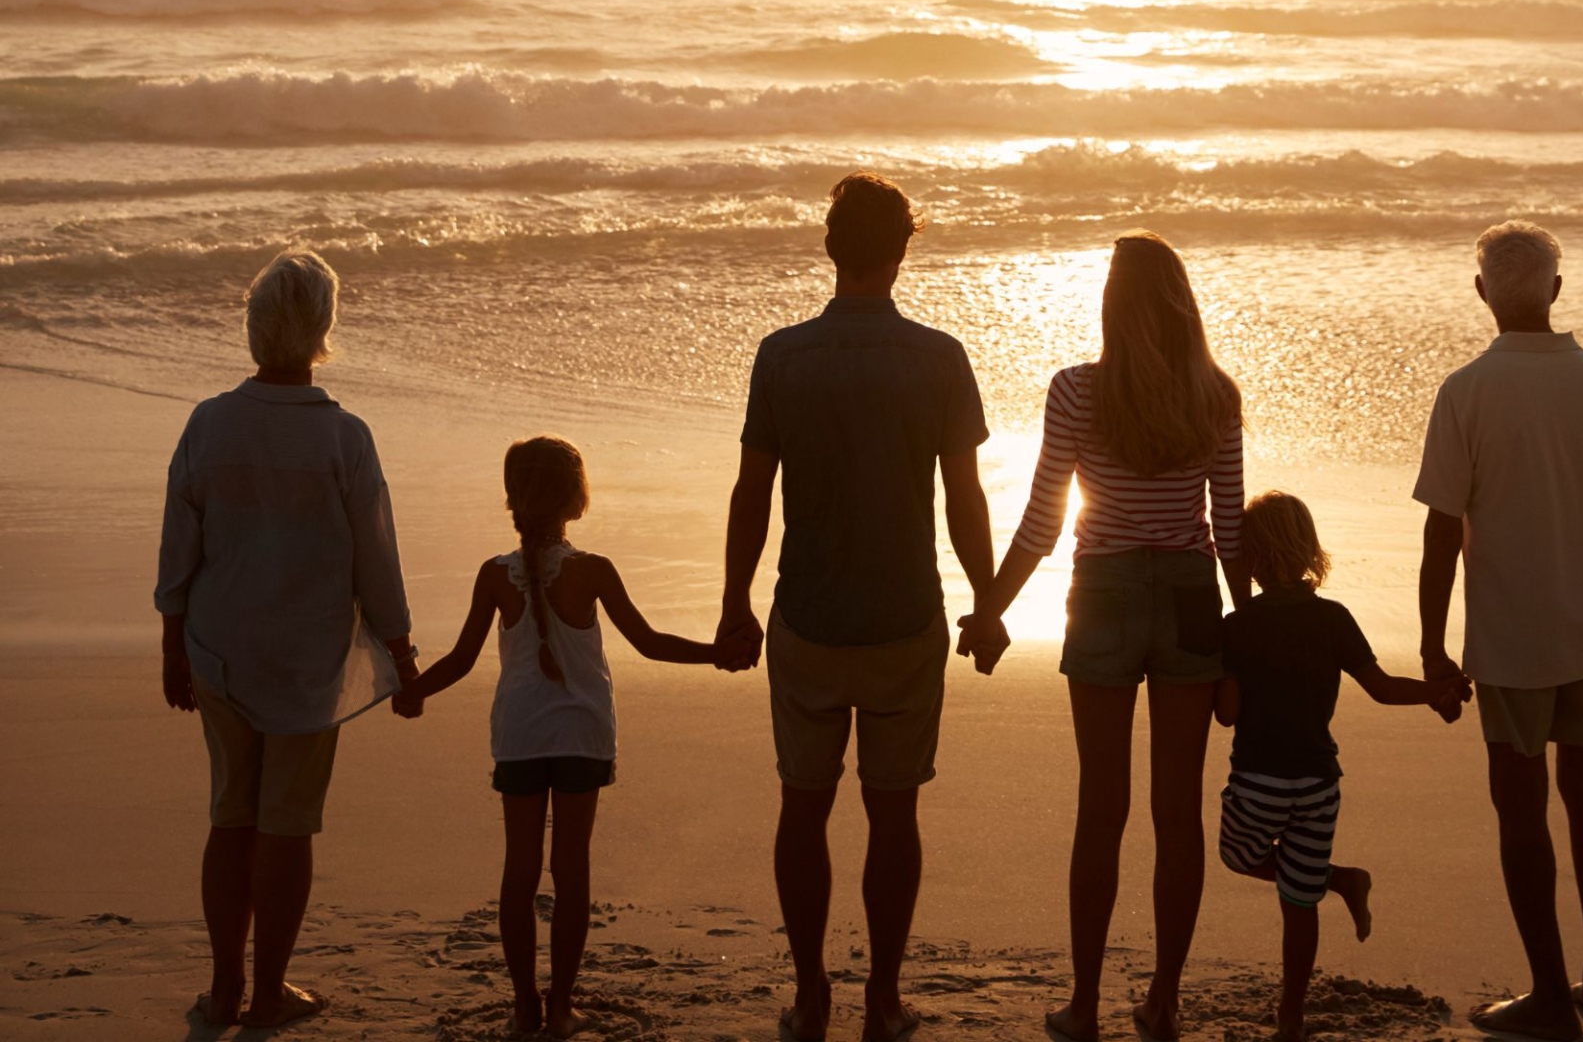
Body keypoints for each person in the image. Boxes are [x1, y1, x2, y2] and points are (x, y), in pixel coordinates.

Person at [719, 172, 996, 1042]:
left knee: (803, 805)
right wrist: (987, 604)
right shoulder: (940, 357)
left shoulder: (782, 355)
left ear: (830, 249)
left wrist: (735, 603)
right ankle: (882, 995)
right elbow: (964, 499)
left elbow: (751, 493)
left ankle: (811, 996)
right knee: (894, 811)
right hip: (904, 615)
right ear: (902, 250)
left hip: (807, 611)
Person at [962, 230, 1241, 1042]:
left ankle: (1084, 1004)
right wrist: (1244, 642)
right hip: (1192, 596)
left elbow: (1046, 516)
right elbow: (1228, 527)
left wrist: (992, 608)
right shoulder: (1215, 395)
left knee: (1102, 808)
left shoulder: (1078, 390)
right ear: (1182, 303)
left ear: (1111, 308)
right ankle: (1163, 998)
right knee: (1177, 812)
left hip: (1108, 592)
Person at [396, 436, 754, 1038]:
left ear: (513, 498)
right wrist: (718, 655)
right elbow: (649, 643)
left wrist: (414, 692)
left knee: (519, 870)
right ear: (576, 500)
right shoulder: (593, 570)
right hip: (583, 735)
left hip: (519, 735)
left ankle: (523, 1007)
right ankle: (561, 1007)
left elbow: (459, 660)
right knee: (571, 870)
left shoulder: (492, 575)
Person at [154, 247, 419, 1030]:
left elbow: (180, 545)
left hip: (219, 646)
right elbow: (377, 557)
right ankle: (270, 991)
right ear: (321, 333)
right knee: (286, 825)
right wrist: (401, 653)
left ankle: (226, 986)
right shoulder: (344, 437)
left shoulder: (210, 422)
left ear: (253, 328)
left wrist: (172, 643)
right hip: (307, 658)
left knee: (229, 814)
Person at [1414, 220, 1583, 1042]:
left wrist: (1433, 646)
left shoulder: (1467, 391)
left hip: (1513, 639)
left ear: (1482, 294)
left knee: (1521, 806)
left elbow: (1442, 532)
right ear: (1556, 289)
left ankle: (1553, 996)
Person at [1213, 489, 1471, 1042]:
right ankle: (1292, 1017)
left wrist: (1218, 675)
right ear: (1309, 551)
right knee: (1298, 900)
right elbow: (1379, 688)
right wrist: (1437, 692)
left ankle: (1342, 880)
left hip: (1258, 781)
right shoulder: (1332, 617)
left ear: (1250, 559)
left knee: (1237, 854)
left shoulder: (1238, 626)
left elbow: (1228, 717)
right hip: (1317, 786)